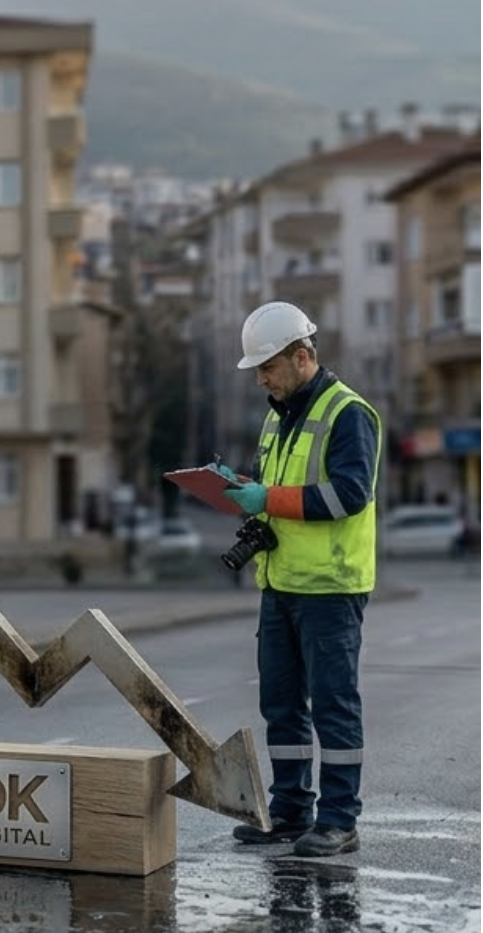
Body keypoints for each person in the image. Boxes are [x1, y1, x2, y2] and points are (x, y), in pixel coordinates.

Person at [217, 301, 380, 858]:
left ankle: (339, 820)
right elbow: (275, 487)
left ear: (303, 356)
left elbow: (347, 495)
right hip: (282, 583)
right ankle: (290, 812)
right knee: (282, 704)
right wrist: (243, 491)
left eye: (268, 367)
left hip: (331, 588)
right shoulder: (276, 416)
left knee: (333, 704)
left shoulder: (348, 414)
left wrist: (269, 498)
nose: (261, 378)